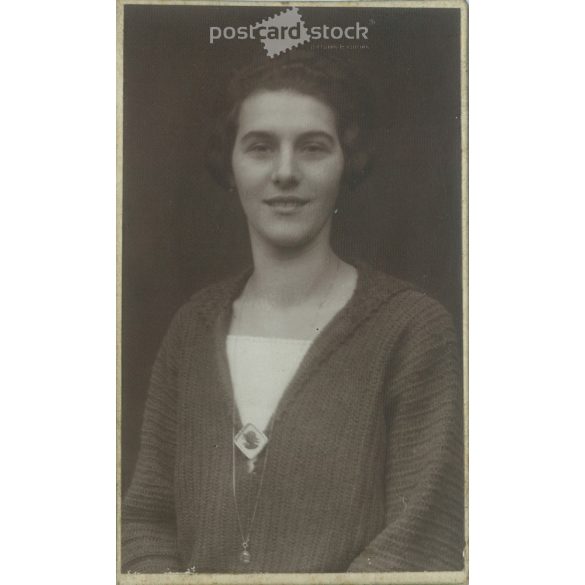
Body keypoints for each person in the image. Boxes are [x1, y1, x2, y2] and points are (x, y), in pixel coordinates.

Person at [122, 52, 464, 574]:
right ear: (230, 164)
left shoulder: (411, 331)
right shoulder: (192, 329)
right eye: (260, 148)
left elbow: (421, 537)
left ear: (346, 162)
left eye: (313, 148)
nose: (285, 172)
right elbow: (145, 521)